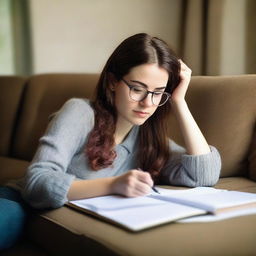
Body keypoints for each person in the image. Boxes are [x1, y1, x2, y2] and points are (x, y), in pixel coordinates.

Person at [0, 33, 221, 249]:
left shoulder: (148, 138)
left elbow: (203, 174)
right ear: (113, 81)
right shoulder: (80, 112)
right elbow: (37, 182)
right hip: (14, 204)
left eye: (158, 93)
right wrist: (113, 185)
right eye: (137, 89)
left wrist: (179, 101)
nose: (147, 103)